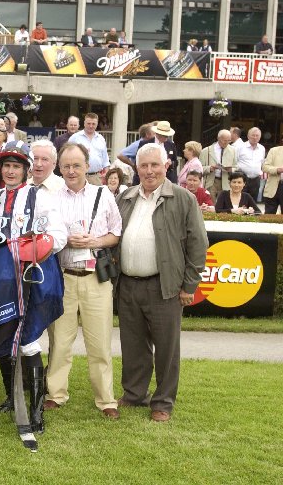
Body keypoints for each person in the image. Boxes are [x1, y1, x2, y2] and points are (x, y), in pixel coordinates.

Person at [0, 142, 67, 431]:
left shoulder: (40, 199)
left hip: (32, 277)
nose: (11, 171)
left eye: (16, 166)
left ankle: (36, 413)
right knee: (5, 334)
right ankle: (12, 398)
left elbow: (58, 235)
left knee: (28, 341)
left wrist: (31, 248)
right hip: (2, 277)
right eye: (7, 166)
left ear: (26, 170)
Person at [115, 143, 208, 422]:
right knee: (132, 345)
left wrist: (189, 285)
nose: (149, 171)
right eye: (144, 165)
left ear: (166, 166)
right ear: (136, 168)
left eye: (155, 165)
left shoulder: (182, 198)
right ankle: (134, 394)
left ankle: (163, 402)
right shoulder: (126, 197)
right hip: (128, 284)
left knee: (167, 348)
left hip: (164, 286)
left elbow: (198, 244)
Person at [43, 143, 122, 420]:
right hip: (63, 278)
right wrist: (63, 241)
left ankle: (106, 399)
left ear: (87, 166)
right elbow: (46, 236)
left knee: (99, 343)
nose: (71, 171)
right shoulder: (52, 198)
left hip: (95, 280)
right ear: (59, 168)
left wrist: (95, 241)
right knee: (60, 342)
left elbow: (116, 233)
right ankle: (55, 393)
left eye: (76, 165)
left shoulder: (103, 194)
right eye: (66, 166)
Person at [68, 113, 108, 185]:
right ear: (84, 123)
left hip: (97, 177)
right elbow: (67, 157)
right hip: (79, 176)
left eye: (93, 124)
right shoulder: (74, 138)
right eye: (88, 123)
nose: (91, 126)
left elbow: (105, 160)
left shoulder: (101, 139)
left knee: (97, 196)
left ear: (97, 124)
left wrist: (106, 174)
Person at [200, 129, 237, 203]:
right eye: (224, 140)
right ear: (218, 138)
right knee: (210, 204)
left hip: (226, 182)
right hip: (211, 181)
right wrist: (210, 168)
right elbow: (199, 168)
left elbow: (236, 167)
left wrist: (231, 169)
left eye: (229, 140)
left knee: (223, 205)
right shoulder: (206, 151)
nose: (226, 143)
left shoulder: (233, 150)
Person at [236, 127, 266, 202]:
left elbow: (262, 163)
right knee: (241, 201)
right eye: (253, 135)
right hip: (242, 178)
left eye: (257, 135)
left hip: (256, 180)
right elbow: (235, 161)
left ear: (260, 137)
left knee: (252, 202)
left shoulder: (262, 148)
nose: (255, 137)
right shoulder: (240, 147)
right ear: (248, 136)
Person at [262, 141, 283, 214]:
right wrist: (277, 170)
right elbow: (265, 167)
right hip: (273, 188)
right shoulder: (274, 151)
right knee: (268, 216)